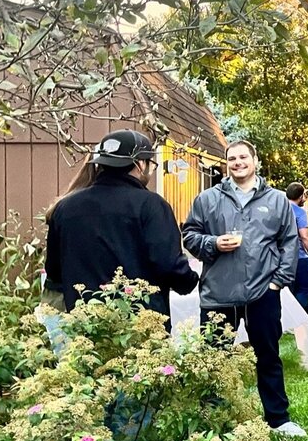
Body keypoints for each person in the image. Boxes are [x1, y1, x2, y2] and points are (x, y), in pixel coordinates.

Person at [182, 140, 306, 437]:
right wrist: (212, 244)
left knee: (268, 356)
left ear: (255, 160)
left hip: (262, 293)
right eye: (232, 158)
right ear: (226, 164)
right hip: (218, 294)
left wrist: (278, 282)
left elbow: (289, 242)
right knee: (214, 360)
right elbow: (189, 235)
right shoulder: (207, 199)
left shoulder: (276, 200)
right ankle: (211, 419)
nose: (237, 162)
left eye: (243, 157)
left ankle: (278, 419)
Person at [44, 129, 199, 321]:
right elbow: (168, 264)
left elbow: (54, 270)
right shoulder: (151, 205)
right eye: (151, 164)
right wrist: (190, 281)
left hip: (82, 323)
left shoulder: (65, 207)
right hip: (138, 324)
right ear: (140, 164)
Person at [284, 182, 308, 315]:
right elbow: (305, 237)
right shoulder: (299, 212)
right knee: (305, 289)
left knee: (291, 289)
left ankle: (306, 315)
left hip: (282, 257)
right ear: (300, 197)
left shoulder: (280, 209)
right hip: (299, 256)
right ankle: (294, 317)